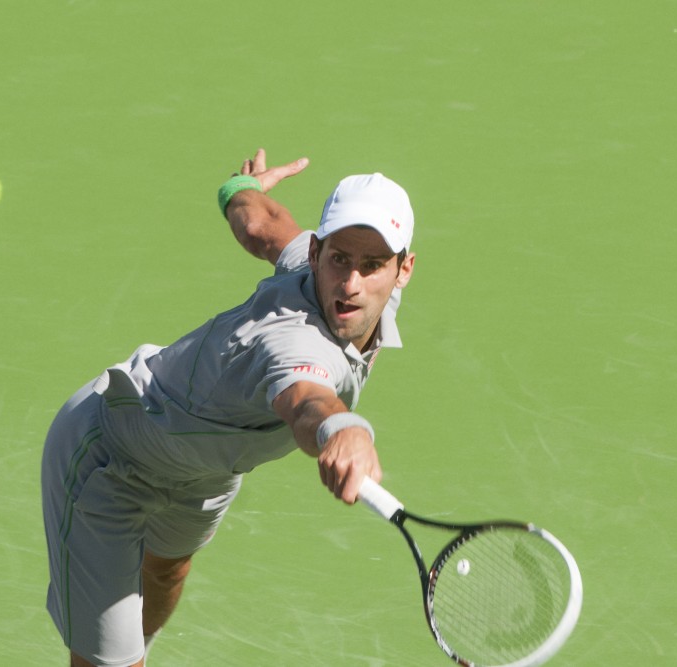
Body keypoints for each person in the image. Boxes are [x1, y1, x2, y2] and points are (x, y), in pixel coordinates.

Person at [41, 149, 417, 667]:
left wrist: (237, 189)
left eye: (372, 265)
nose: (351, 283)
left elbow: (263, 226)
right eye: (339, 260)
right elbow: (307, 399)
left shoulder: (334, 274)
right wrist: (343, 428)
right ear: (316, 256)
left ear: (403, 270)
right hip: (112, 454)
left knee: (168, 571)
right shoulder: (296, 344)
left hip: (203, 472)